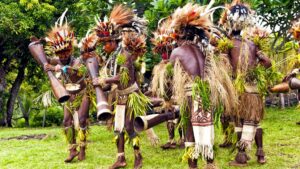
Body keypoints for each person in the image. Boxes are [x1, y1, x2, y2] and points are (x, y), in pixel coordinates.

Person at [92, 5, 149, 169]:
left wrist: (104, 81)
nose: (104, 47)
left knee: (130, 127)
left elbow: (122, 78)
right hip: (119, 96)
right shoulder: (112, 57)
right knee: (118, 128)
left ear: (113, 41)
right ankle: (121, 159)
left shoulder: (124, 55)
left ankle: (138, 157)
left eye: (105, 43)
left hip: (130, 95)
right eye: (102, 43)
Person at [218, 0, 272, 166]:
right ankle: (260, 153)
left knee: (241, 122)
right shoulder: (252, 43)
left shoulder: (227, 45)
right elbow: (268, 63)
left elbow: (224, 69)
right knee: (254, 120)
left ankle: (241, 156)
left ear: (230, 24)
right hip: (253, 89)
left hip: (239, 90)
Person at [42, 10, 91, 162]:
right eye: (60, 53)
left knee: (82, 120)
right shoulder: (58, 60)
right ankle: (72, 149)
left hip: (83, 93)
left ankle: (82, 148)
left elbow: (76, 72)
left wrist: (61, 68)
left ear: (70, 50)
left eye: (65, 53)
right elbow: (48, 61)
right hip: (69, 94)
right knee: (66, 122)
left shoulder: (76, 61)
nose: (62, 56)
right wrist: (41, 56)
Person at [151, 17, 184, 149]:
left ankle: (182, 138)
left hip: (176, 72)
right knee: (168, 106)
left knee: (181, 107)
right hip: (164, 71)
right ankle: (171, 139)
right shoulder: (162, 40)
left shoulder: (178, 41)